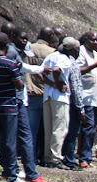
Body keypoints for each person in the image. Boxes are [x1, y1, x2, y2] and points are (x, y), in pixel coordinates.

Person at [6, 26, 50, 182]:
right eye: (22, 38)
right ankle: (30, 173)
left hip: (15, 100)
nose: (25, 42)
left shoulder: (12, 51)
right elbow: (19, 75)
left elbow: (23, 67)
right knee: (25, 137)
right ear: (12, 37)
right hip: (17, 100)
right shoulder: (11, 53)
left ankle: (10, 171)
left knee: (10, 138)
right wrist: (42, 69)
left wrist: (41, 69)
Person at [41, 37, 76, 169]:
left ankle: (47, 157)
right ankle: (55, 158)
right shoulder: (65, 59)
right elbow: (56, 70)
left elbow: (41, 72)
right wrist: (58, 83)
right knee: (60, 127)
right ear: (72, 50)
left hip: (47, 96)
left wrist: (51, 84)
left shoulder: (51, 56)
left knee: (48, 128)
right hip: (60, 98)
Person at [26, 28, 58, 164]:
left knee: (31, 131)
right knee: (46, 130)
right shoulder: (52, 53)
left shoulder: (28, 48)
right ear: (50, 37)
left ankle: (30, 158)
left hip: (30, 93)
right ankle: (44, 158)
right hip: (46, 94)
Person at [74, 30, 97, 168]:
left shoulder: (96, 54)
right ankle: (84, 158)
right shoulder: (81, 51)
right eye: (93, 40)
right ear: (86, 39)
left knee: (93, 128)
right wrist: (94, 65)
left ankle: (88, 157)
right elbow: (78, 70)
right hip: (87, 97)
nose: (96, 43)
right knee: (88, 127)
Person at [0, 32, 26, 182]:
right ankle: (12, 175)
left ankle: (5, 171)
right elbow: (19, 85)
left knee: (1, 141)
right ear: (7, 46)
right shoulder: (10, 63)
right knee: (9, 141)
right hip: (9, 107)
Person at [60, 38, 85, 169]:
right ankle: (69, 160)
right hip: (72, 103)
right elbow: (75, 88)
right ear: (75, 50)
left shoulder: (58, 59)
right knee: (72, 132)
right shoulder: (72, 63)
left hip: (62, 101)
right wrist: (80, 108)